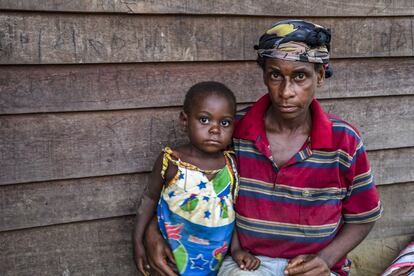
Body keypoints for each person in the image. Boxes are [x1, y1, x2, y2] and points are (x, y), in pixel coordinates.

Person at [142, 19, 383, 276]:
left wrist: (325, 259)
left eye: (300, 76)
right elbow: (184, 185)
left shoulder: (344, 142)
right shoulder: (233, 132)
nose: (286, 91)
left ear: (320, 76)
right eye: (276, 75)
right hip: (247, 264)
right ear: (265, 76)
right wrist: (153, 230)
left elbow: (363, 217)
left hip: (315, 267)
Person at [132, 81, 260, 276]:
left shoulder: (232, 165)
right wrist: (138, 241)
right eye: (204, 120)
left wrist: (236, 250)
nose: (215, 129)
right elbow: (149, 199)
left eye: (224, 123)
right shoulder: (172, 161)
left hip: (213, 263)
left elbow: (231, 212)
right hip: (171, 259)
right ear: (185, 120)